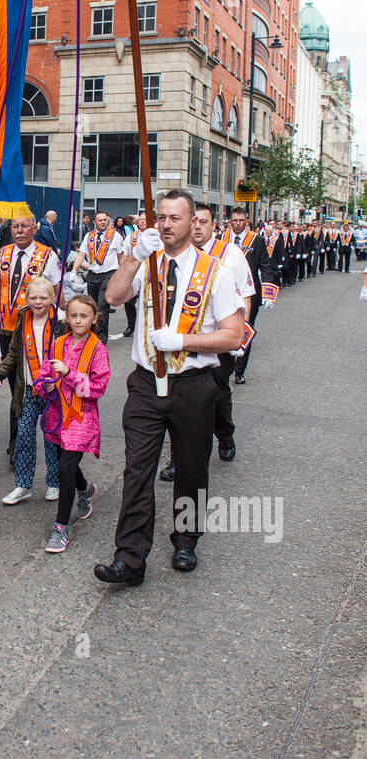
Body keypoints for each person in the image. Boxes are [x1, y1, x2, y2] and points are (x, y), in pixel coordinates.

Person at [93, 190, 244, 586]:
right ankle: (129, 557)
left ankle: (186, 539)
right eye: (160, 217)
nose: (165, 224)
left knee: (191, 467)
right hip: (145, 384)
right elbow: (112, 296)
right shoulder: (148, 262)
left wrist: (183, 341)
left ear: (193, 222)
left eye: (175, 218)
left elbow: (233, 336)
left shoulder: (217, 272)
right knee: (137, 471)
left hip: (193, 384)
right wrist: (133, 257)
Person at [159, 203, 253, 479]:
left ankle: (224, 434)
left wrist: (238, 337)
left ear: (214, 226)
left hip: (216, 340)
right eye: (194, 221)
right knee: (178, 398)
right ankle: (179, 457)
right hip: (178, 341)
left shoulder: (230, 255)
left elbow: (245, 296)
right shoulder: (176, 253)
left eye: (204, 222)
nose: (198, 226)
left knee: (218, 392)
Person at [0, 216, 61, 464]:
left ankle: (50, 438)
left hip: (34, 332)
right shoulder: (2, 254)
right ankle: (17, 441)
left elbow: (57, 293)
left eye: (25, 226)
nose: (20, 230)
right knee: (16, 387)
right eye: (15, 226)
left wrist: (59, 325)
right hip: (5, 331)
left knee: (36, 385)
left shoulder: (49, 256)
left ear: (35, 229)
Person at [34, 293, 110, 554]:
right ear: (67, 317)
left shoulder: (98, 349)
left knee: (66, 466)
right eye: (74, 315)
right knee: (63, 462)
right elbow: (44, 373)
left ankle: (60, 526)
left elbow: (97, 388)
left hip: (81, 417)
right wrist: (43, 385)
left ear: (94, 319)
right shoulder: (57, 344)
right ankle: (85, 489)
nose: (78, 320)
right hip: (57, 415)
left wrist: (70, 374)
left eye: (84, 316)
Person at [0, 277, 62, 507]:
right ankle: (23, 484)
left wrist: (61, 378)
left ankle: (55, 482)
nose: (38, 302)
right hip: (30, 389)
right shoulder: (23, 318)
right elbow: (13, 351)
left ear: (52, 299)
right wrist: (0, 374)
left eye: (43, 297)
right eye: (33, 297)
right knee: (23, 433)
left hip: (54, 390)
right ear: (26, 299)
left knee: (52, 437)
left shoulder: (60, 321)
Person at [225, 207, 271, 384]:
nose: (238, 224)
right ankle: (225, 366)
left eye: (241, 221)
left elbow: (265, 265)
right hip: (226, 293)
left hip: (249, 294)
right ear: (230, 222)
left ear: (247, 222)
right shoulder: (222, 239)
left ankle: (240, 370)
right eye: (235, 220)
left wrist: (268, 291)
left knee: (246, 329)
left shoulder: (257, 240)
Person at [72, 210, 126, 345]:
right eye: (100, 220)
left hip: (109, 274)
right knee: (92, 306)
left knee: (102, 305)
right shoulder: (89, 236)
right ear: (94, 222)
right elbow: (81, 254)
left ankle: (101, 339)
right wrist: (74, 270)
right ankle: (91, 334)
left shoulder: (116, 236)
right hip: (93, 274)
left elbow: (121, 257)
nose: (103, 222)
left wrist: (123, 275)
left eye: (105, 220)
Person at [122, 210, 146, 337]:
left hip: (149, 274)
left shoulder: (156, 236)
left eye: (144, 219)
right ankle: (131, 325)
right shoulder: (131, 237)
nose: (142, 221)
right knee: (129, 300)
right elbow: (125, 254)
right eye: (140, 219)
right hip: (134, 272)